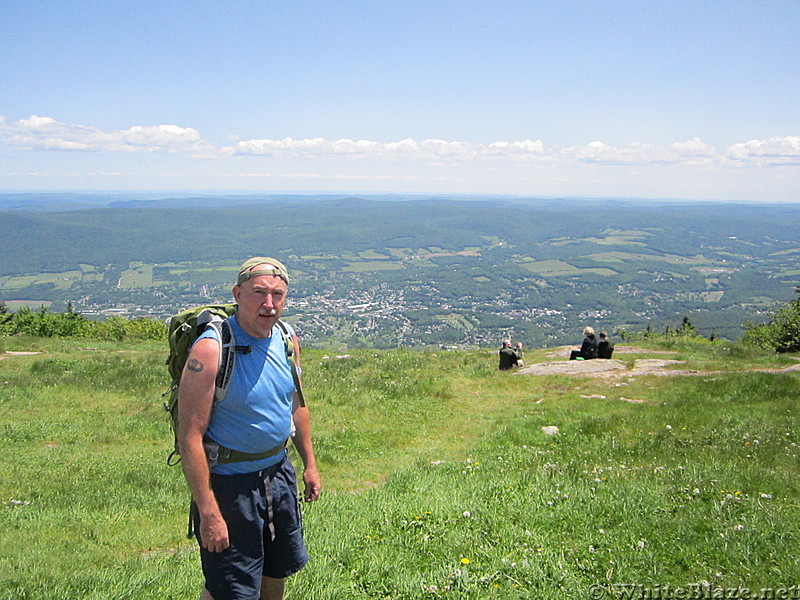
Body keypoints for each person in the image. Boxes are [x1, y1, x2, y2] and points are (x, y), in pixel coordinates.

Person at [178, 257, 321, 600]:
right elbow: (190, 437)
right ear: (238, 294)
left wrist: (310, 465)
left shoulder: (286, 339)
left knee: (276, 572)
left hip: (278, 475)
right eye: (259, 293)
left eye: (277, 295)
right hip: (231, 488)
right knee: (230, 587)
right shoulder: (212, 349)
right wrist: (209, 511)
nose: (269, 304)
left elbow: (297, 405)